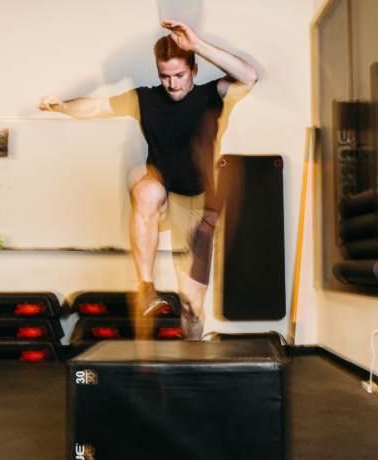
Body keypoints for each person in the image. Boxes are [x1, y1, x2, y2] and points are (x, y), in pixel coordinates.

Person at [38, 20, 257, 340]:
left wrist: (196, 44)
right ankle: (146, 289)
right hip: (164, 195)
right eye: (164, 76)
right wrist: (62, 107)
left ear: (194, 70)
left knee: (192, 303)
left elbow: (248, 76)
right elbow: (97, 108)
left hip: (199, 205)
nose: (172, 84)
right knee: (146, 190)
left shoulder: (212, 96)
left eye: (179, 75)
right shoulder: (146, 99)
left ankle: (192, 358)